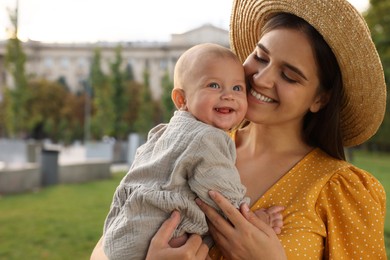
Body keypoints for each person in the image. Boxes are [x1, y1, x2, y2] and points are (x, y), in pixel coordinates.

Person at [92, 0, 387, 258]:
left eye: (289, 76)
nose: (261, 78)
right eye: (260, 57)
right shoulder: (184, 145)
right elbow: (112, 240)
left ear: (319, 99)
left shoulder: (341, 190)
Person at [100, 43, 284, 260]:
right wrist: (250, 219)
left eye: (237, 88)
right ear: (182, 100)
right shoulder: (209, 137)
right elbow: (220, 193)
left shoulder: (161, 132)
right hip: (159, 235)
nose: (228, 95)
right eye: (214, 85)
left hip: (122, 232)